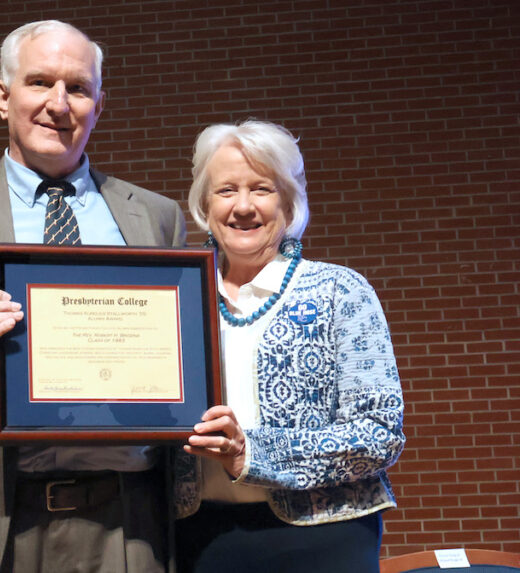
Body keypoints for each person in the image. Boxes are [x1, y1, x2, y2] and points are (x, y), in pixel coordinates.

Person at [0, 20, 185, 573]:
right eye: (40, 82)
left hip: (127, 522)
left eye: (79, 88)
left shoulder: (155, 217)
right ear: (2, 96)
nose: (59, 104)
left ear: (99, 103)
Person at [173, 120, 406, 573]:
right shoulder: (174, 296)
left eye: (262, 189)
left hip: (322, 539)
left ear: (289, 199)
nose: (243, 207)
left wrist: (251, 454)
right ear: (203, 201)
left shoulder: (340, 291)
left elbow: (380, 433)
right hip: (196, 539)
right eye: (225, 191)